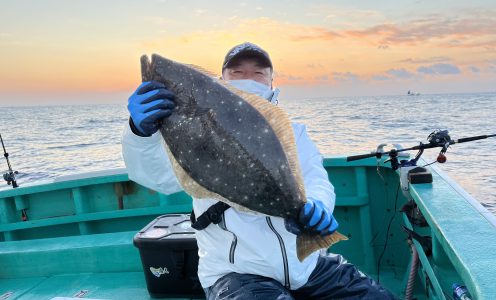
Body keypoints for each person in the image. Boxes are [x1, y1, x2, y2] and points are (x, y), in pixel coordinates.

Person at [122, 42, 396, 299]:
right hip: (236, 274)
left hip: (307, 267)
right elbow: (159, 178)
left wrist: (317, 204)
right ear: (221, 79)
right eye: (237, 71)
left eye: (258, 73)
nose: (248, 78)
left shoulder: (294, 132)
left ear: (271, 81)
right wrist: (140, 133)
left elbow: (315, 178)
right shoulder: (192, 127)